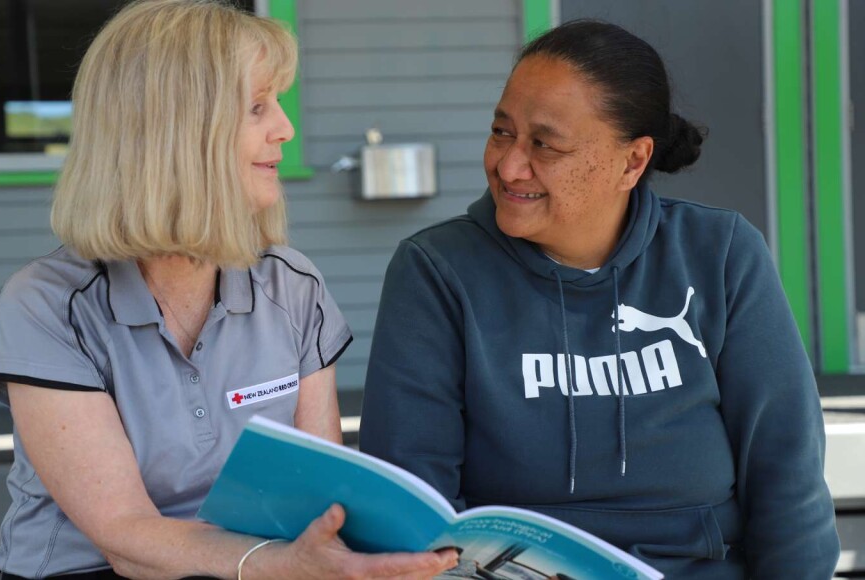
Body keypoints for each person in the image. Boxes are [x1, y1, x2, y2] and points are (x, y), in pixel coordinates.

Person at [0, 1, 457, 578]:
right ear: (174, 132)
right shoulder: (48, 305)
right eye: (257, 107)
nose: (286, 128)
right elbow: (126, 539)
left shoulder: (291, 283)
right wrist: (282, 565)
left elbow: (318, 500)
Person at [360, 20, 840, 579]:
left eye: (545, 143)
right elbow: (412, 504)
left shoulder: (721, 255)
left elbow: (787, 476)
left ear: (633, 162)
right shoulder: (438, 271)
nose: (509, 165)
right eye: (501, 131)